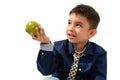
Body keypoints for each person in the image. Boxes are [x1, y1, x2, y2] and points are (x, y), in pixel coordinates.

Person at [31, 4, 107, 80]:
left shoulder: (99, 53)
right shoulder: (58, 47)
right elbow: (46, 71)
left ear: (91, 33)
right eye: (69, 23)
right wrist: (46, 44)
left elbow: (99, 77)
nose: (70, 28)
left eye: (78, 25)